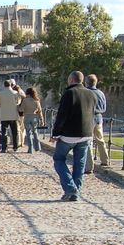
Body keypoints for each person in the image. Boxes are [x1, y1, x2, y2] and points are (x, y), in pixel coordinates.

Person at [51, 71, 97, 201]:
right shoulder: (91, 94)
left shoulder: (69, 93)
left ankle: (71, 188)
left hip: (69, 134)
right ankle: (76, 192)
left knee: (59, 159)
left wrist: (55, 133)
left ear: (71, 80)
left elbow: (62, 116)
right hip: (86, 133)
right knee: (79, 164)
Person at [84, 74, 110, 173]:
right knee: (100, 140)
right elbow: (104, 108)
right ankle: (105, 160)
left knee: (88, 142)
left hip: (88, 118)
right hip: (99, 118)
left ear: (86, 83)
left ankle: (89, 166)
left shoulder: (86, 93)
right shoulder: (101, 93)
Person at [0, 80, 22, 152]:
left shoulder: (0, 93)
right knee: (14, 132)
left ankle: (4, 148)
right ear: (11, 85)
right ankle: (15, 146)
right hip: (13, 115)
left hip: (4, 115)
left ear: (4, 85)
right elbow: (18, 102)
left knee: (4, 132)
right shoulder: (15, 93)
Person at [21, 87, 45, 153]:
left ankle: (30, 148)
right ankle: (38, 147)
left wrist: (17, 107)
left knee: (28, 133)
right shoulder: (36, 101)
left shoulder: (25, 100)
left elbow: (21, 109)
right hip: (34, 117)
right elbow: (40, 111)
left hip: (27, 117)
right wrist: (42, 120)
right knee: (35, 132)